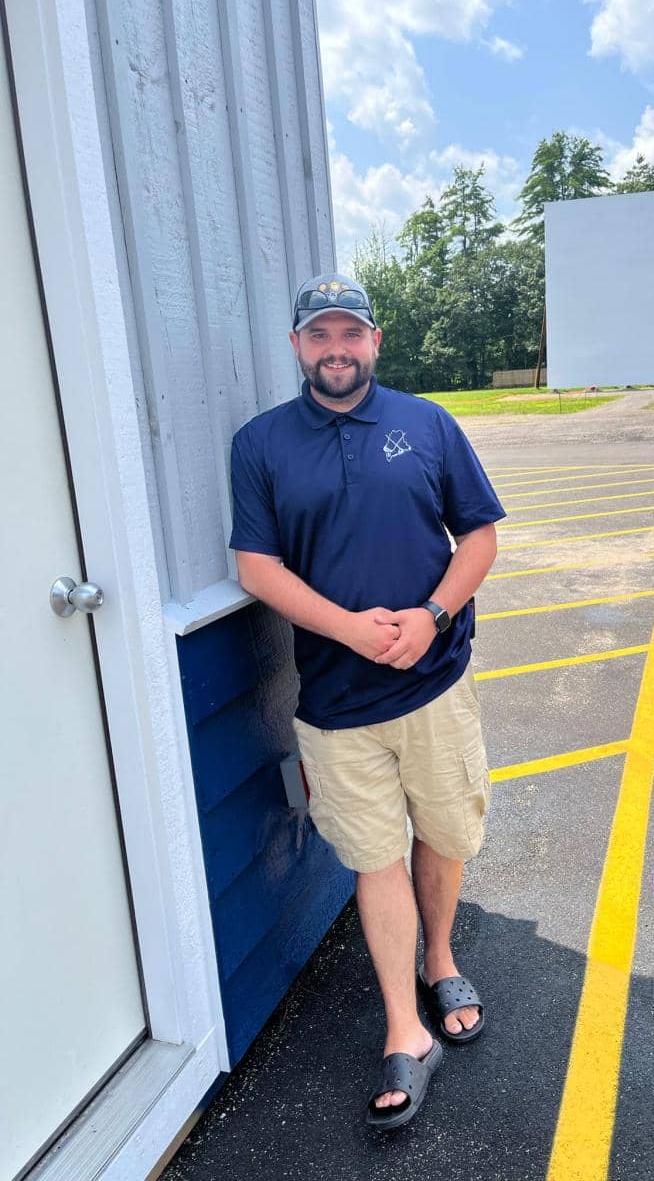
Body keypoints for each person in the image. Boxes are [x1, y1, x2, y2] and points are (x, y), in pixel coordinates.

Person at [228, 272, 505, 1130]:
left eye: (351, 333)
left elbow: (482, 534)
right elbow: (257, 567)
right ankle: (403, 1027)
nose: (337, 349)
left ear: (375, 341)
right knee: (375, 857)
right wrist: (349, 629)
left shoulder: (427, 424)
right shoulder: (261, 444)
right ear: (298, 347)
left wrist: (431, 616)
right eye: (320, 335)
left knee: (448, 833)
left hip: (435, 683)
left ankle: (443, 956)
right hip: (338, 703)